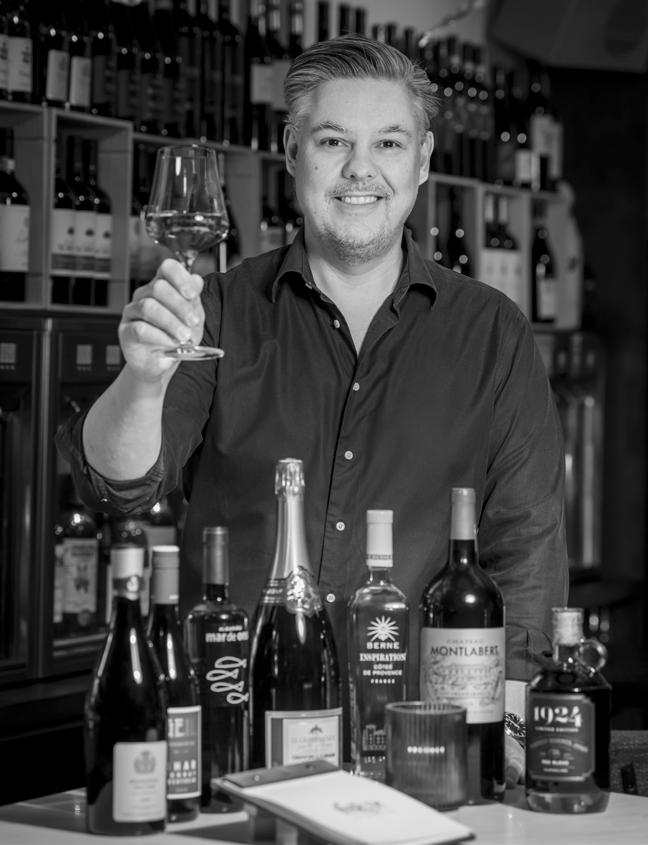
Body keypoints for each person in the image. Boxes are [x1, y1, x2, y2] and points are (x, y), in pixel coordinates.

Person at [56, 34, 567, 785]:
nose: (361, 168)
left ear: (422, 161)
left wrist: (510, 744)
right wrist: (140, 379)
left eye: (388, 142)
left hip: (418, 751)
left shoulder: (494, 333)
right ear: (293, 152)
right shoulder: (218, 311)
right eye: (333, 141)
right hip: (229, 738)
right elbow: (121, 485)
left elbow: (526, 552)